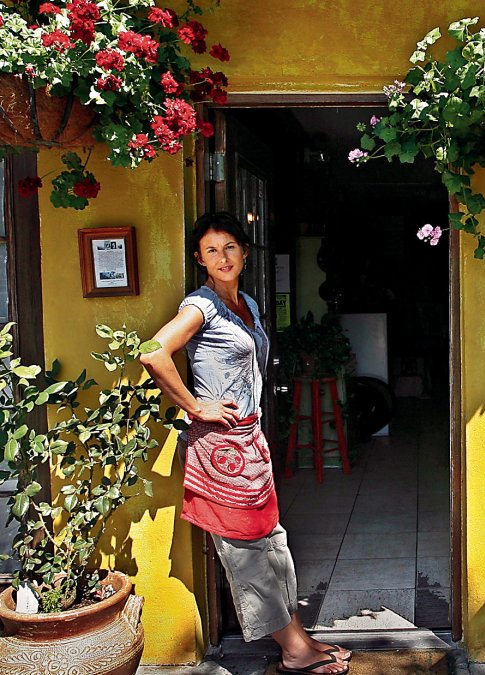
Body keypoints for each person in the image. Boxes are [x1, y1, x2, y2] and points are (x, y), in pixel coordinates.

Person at [140, 212, 351, 675]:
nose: (222, 257)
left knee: (272, 542)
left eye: (230, 247)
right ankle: (294, 652)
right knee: (246, 552)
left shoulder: (248, 305)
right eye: (212, 250)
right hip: (220, 450)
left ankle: (296, 633)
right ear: (200, 259)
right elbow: (154, 352)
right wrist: (197, 406)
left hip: (249, 440)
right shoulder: (201, 306)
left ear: (244, 252)